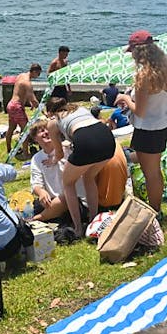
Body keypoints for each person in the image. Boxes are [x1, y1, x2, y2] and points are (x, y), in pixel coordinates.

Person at [115, 30, 167, 215]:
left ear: (138, 52)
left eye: (132, 51)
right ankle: (157, 207)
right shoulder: (165, 71)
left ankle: (155, 211)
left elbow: (139, 110)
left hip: (147, 128)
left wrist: (125, 98)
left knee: (151, 174)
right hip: (162, 124)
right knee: (155, 171)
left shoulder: (143, 76)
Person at [27, 121, 127, 224]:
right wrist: (41, 192)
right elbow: (36, 183)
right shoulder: (37, 159)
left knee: (66, 196)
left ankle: (40, 218)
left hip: (77, 199)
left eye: (48, 129)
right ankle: (47, 214)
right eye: (41, 131)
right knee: (45, 202)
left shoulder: (69, 149)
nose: (46, 132)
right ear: (35, 139)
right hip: (53, 201)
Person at [46, 97, 116, 235]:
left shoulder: (53, 122)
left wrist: (53, 161)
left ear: (50, 112)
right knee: (89, 177)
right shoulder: (79, 108)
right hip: (107, 139)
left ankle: (78, 227)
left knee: (68, 183)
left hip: (85, 141)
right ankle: (94, 219)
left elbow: (59, 153)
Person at [6, 63, 42, 153]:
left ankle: (9, 149)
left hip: (11, 105)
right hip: (17, 107)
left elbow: (21, 92)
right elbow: (33, 99)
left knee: (11, 128)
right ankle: (26, 153)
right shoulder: (28, 83)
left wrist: (30, 102)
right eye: (38, 74)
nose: (38, 76)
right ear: (34, 71)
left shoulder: (21, 76)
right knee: (25, 130)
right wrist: (41, 109)